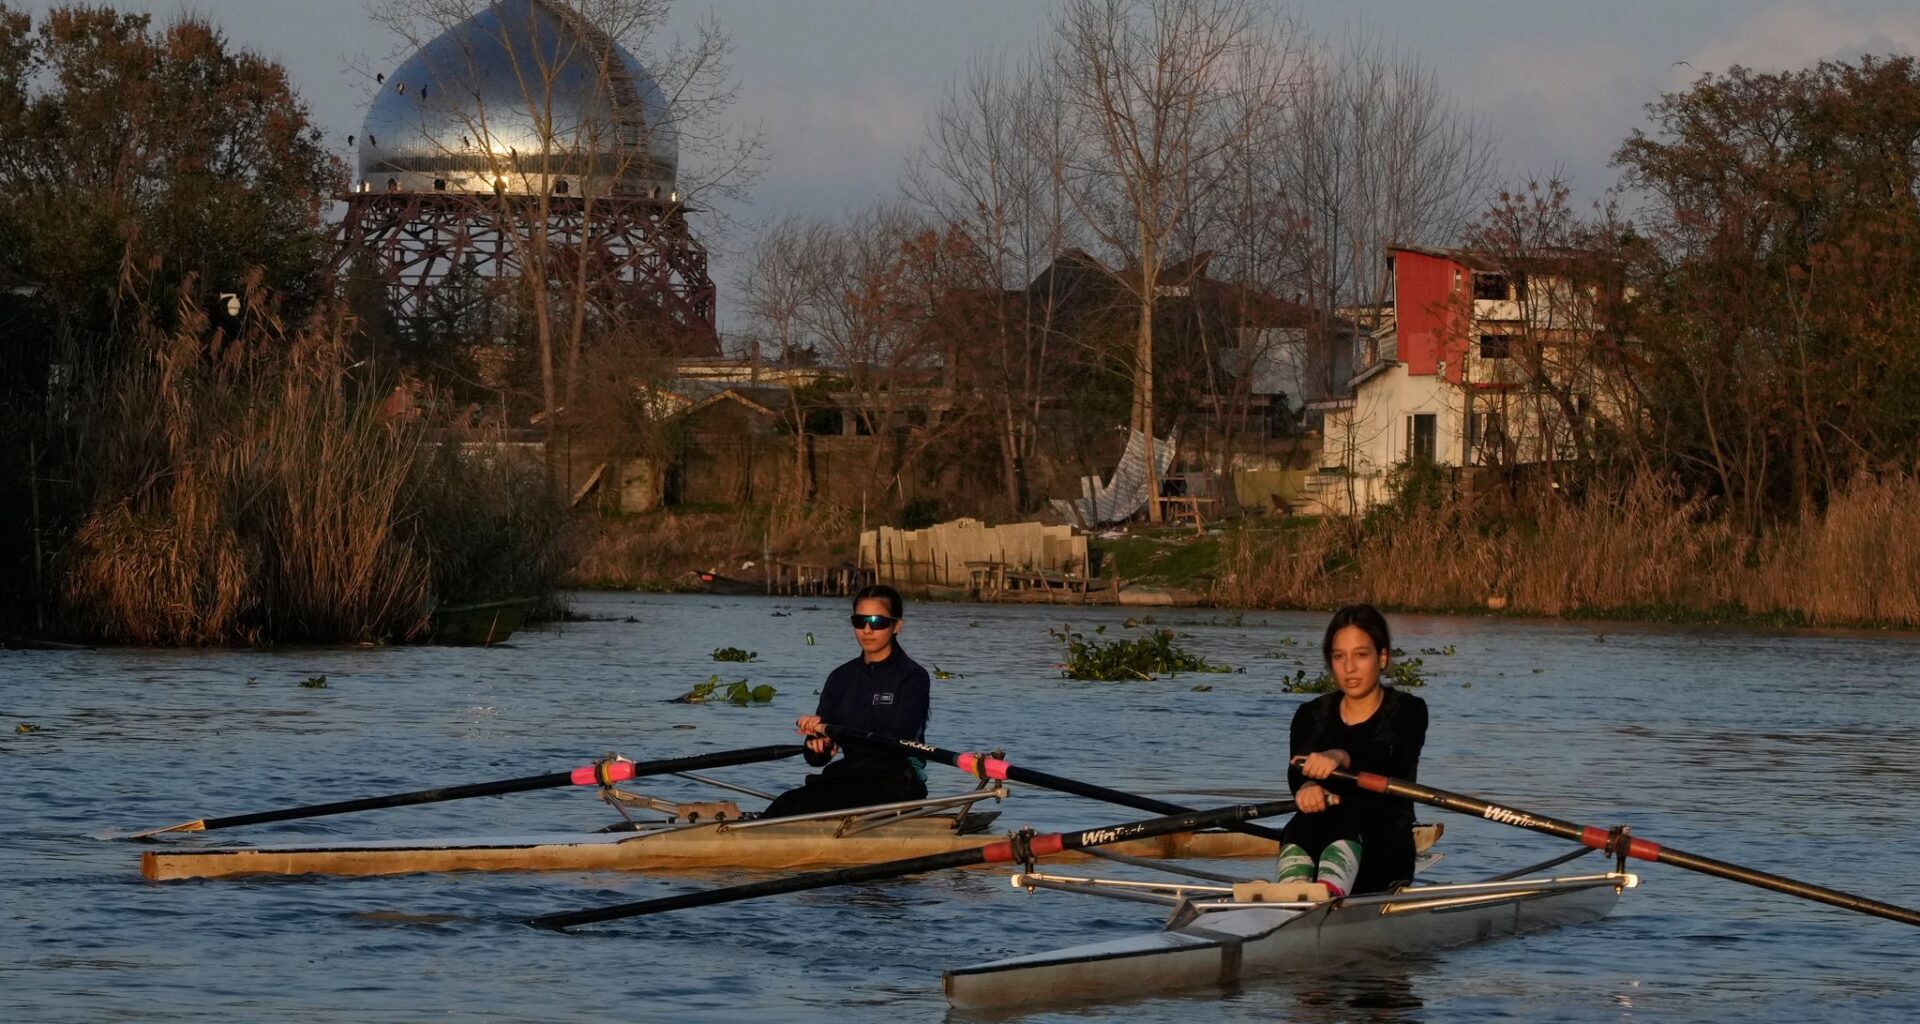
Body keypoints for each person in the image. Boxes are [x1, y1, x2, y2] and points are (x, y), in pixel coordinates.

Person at [1278, 603, 1428, 897]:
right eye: (1339, 657)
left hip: (1384, 845)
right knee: (1299, 824)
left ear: (1382, 657)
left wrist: (1340, 757)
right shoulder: (1311, 713)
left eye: (1361, 655)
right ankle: (1292, 901)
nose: (1349, 668)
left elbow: (1389, 757)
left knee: (1349, 815)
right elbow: (1298, 766)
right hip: (1321, 835)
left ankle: (1321, 899)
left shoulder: (1408, 710)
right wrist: (1307, 785)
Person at [762, 584, 930, 818]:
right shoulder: (841, 677)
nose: (867, 630)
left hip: (895, 781)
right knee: (787, 802)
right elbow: (815, 758)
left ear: (896, 626)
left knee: (814, 802)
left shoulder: (913, 677)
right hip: (848, 776)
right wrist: (819, 745)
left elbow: (897, 738)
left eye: (877, 622)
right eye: (860, 621)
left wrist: (836, 732)